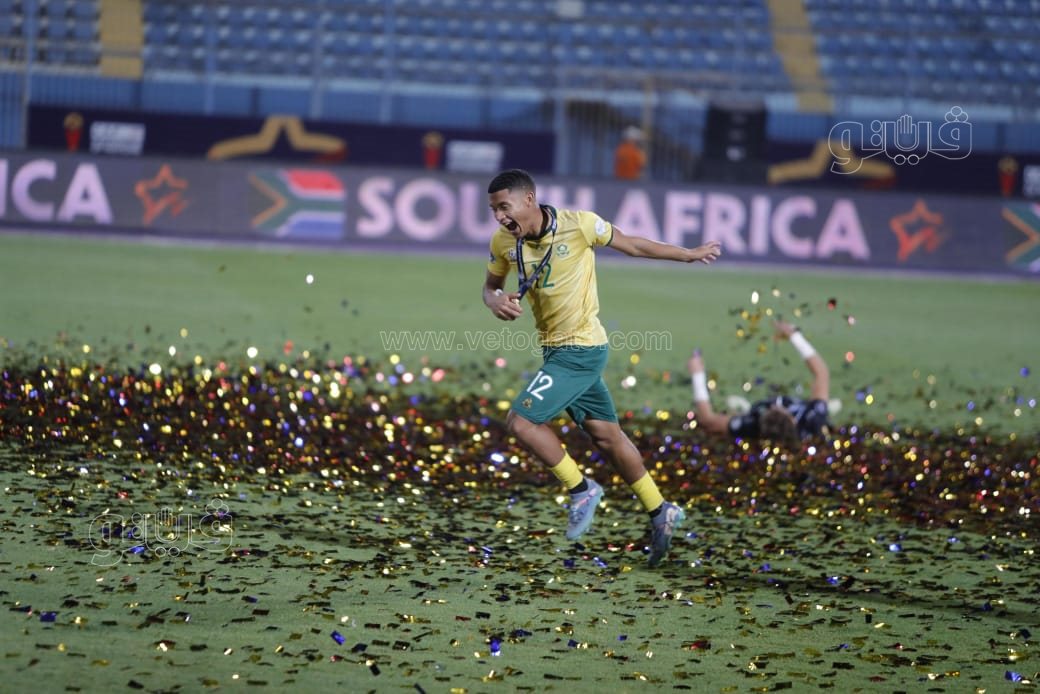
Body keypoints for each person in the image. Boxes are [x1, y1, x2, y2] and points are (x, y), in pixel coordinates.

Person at [482, 168, 721, 567]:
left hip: (582, 350)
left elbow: (634, 246)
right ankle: (660, 509)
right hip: (555, 352)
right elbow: (490, 286)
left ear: (529, 200)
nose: (499, 218)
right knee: (607, 437)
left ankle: (581, 490)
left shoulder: (580, 225)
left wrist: (688, 254)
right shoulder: (504, 241)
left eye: (503, 207)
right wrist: (493, 301)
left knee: (522, 423)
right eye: (492, 210)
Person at [688, 320, 831, 442]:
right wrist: (794, 335)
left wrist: (697, 375)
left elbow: (708, 420)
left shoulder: (750, 426)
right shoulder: (812, 420)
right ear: (793, 420)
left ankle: (743, 409)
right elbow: (821, 374)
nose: (775, 406)